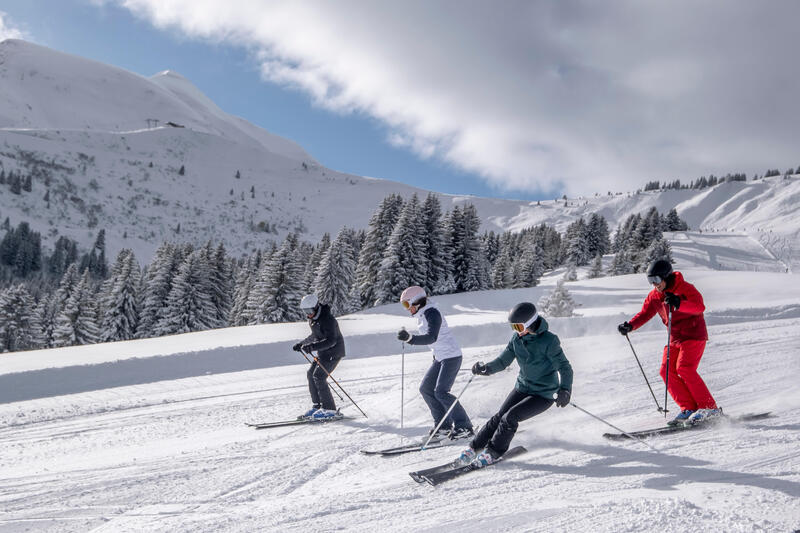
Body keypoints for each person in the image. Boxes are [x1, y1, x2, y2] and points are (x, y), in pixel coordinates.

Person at [459, 302, 573, 467]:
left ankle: (493, 452)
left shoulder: (549, 341)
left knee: (510, 418)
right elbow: (503, 360)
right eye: (513, 327)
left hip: (543, 394)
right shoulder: (516, 339)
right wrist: (486, 368)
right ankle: (474, 447)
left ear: (530, 323)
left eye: (519, 327)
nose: (516, 332)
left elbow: (565, 367)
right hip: (523, 387)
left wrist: (565, 390)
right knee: (500, 416)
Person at [618, 259, 720, 426]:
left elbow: (699, 307)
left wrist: (679, 303)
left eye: (656, 280)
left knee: (684, 368)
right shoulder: (655, 296)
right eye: (650, 281)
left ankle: (709, 408)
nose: (654, 285)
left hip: (693, 335)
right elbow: (645, 313)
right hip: (674, 338)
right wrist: (631, 325)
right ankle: (689, 408)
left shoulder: (685, 289)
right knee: (666, 371)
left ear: (666, 277)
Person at [396, 286, 474, 440]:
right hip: (440, 357)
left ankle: (464, 427)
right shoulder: (422, 314)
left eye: (407, 304)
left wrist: (410, 339)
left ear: (416, 301)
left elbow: (432, 337)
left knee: (441, 392)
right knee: (426, 389)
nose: (406, 309)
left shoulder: (432, 313)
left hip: (451, 356)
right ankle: (443, 426)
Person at [292, 293, 346, 420]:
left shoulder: (327, 319)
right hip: (323, 353)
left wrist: (312, 347)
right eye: (305, 311)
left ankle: (329, 409)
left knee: (319, 376)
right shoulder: (313, 319)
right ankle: (317, 406)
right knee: (311, 374)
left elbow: (331, 340)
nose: (308, 313)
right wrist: (302, 344)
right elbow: (315, 336)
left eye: (309, 310)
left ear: (316, 307)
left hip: (334, 353)